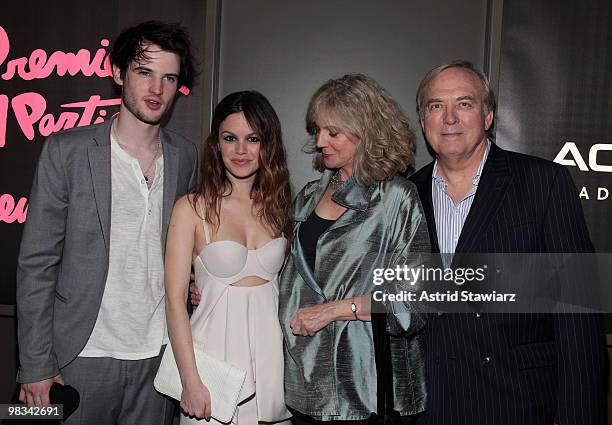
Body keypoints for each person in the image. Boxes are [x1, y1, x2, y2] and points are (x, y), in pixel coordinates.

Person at [16, 21, 198, 425]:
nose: (157, 89)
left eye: (169, 77)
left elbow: (182, 248)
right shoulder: (68, 152)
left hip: (158, 355)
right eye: (144, 72)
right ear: (118, 73)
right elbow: (36, 264)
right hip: (81, 354)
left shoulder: (186, 156)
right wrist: (35, 364)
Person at [409, 60, 606, 425]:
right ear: (423, 121)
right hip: (428, 407)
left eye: (464, 103)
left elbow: (579, 312)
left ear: (488, 117)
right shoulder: (404, 195)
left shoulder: (543, 183)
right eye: (436, 106)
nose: (449, 117)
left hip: (516, 404)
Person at [278, 74, 429, 424]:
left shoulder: (395, 198)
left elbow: (414, 303)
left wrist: (332, 310)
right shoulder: (308, 196)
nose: (319, 141)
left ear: (366, 131)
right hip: (307, 384)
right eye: (318, 130)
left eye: (333, 132)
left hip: (369, 388)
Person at [164, 91, 293, 424]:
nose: (240, 150)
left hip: (271, 368)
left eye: (252, 139)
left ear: (268, 145)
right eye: (230, 138)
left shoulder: (280, 208)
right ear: (216, 144)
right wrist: (190, 381)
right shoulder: (191, 209)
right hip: (210, 370)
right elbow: (174, 301)